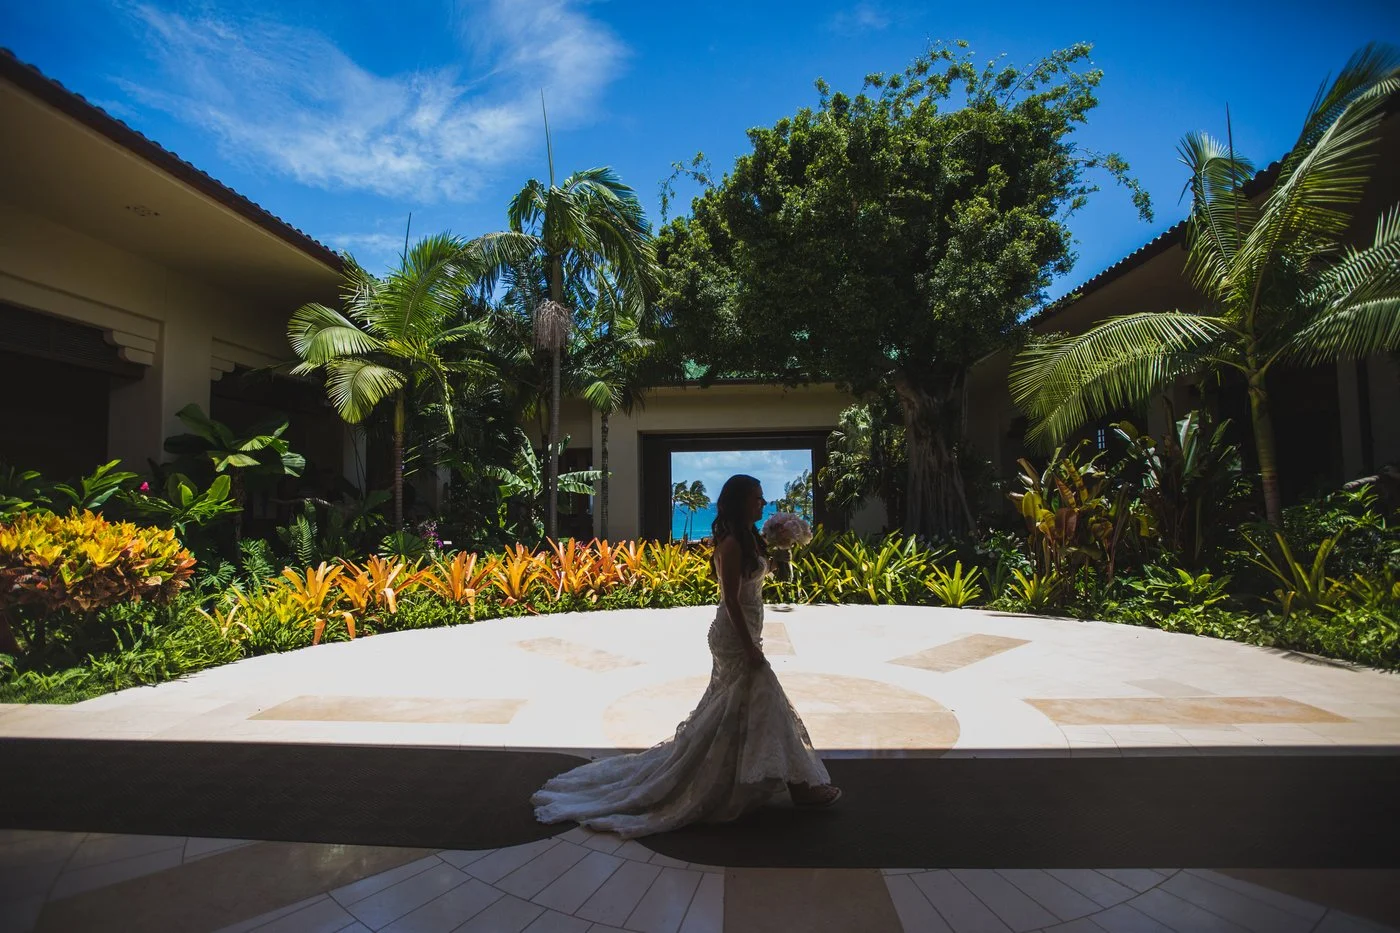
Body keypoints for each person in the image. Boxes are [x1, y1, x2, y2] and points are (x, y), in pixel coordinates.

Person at [531, 473, 841, 838]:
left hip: (747, 632)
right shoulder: (729, 545)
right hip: (733, 636)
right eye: (757, 497)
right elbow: (729, 598)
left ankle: (759, 777)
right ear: (741, 501)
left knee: (734, 706)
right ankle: (800, 787)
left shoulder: (750, 540)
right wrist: (748, 646)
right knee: (765, 697)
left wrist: (780, 553)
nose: (763, 502)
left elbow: (756, 579)